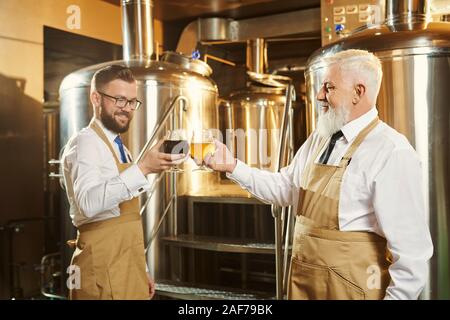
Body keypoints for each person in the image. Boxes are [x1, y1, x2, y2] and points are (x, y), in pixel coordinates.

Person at [203, 49, 433, 300]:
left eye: (329, 87)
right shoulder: (321, 138)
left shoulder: (391, 151)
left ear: (359, 92)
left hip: (352, 291)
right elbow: (285, 188)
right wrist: (232, 166)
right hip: (304, 286)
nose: (318, 95)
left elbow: (411, 257)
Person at [61, 65, 185, 300]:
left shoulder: (121, 148)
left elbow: (127, 219)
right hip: (100, 268)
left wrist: (142, 268)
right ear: (96, 98)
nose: (127, 109)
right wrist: (143, 167)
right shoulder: (85, 143)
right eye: (119, 100)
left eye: (132, 102)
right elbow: (88, 203)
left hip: (126, 265)